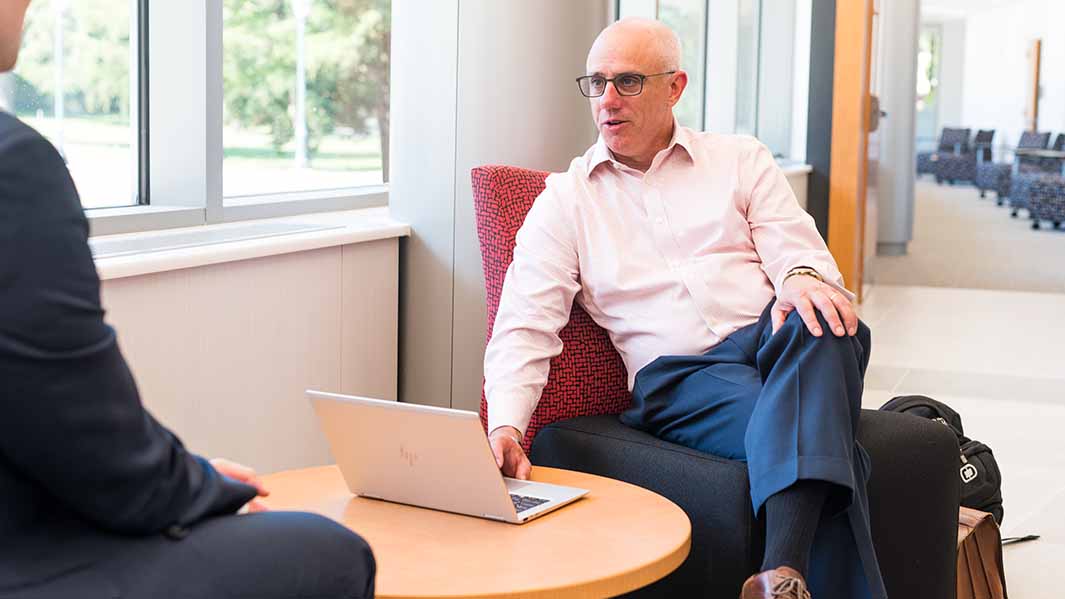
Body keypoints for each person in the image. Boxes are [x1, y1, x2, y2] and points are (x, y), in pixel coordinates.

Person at [484, 17, 885, 599]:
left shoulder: (741, 159)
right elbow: (525, 322)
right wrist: (506, 423)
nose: (607, 100)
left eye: (627, 82)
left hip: (774, 341)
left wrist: (799, 277)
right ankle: (785, 568)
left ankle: (780, 580)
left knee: (823, 315)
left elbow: (799, 253)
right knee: (823, 435)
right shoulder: (565, 202)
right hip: (683, 378)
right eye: (596, 83)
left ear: (675, 86)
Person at [0, 2, 375, 597]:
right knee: (330, 551)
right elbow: (91, 440)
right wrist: (198, 487)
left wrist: (184, 478)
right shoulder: (13, 164)